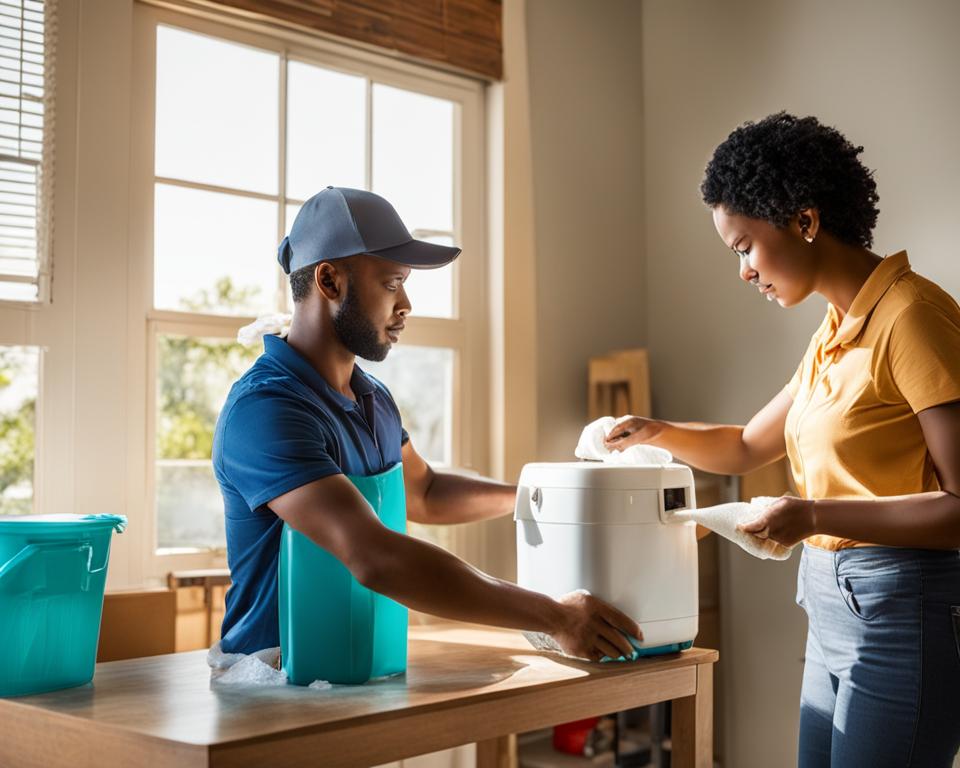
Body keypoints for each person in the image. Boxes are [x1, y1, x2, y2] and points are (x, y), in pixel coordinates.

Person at [606, 114, 960, 767]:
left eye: (744, 246)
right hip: (828, 604)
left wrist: (812, 514)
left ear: (804, 220)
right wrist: (654, 433)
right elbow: (745, 446)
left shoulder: (912, 319)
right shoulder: (835, 331)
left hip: (900, 611)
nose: (742, 271)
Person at [212, 186, 641, 664]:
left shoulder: (372, 398)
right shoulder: (266, 409)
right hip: (272, 679)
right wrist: (556, 617)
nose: (406, 305)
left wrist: (538, 492)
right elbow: (374, 556)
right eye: (392, 283)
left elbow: (425, 493)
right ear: (329, 281)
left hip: (363, 662)